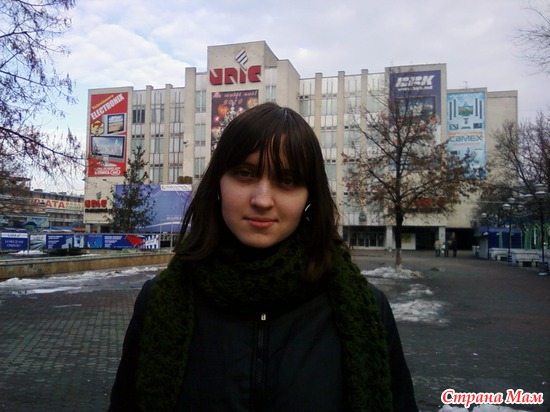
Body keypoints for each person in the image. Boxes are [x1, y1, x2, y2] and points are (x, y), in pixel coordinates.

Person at [108, 102, 418, 411]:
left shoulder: (366, 310)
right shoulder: (160, 301)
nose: (262, 200)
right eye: (244, 174)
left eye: (287, 181)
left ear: (310, 196)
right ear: (218, 183)